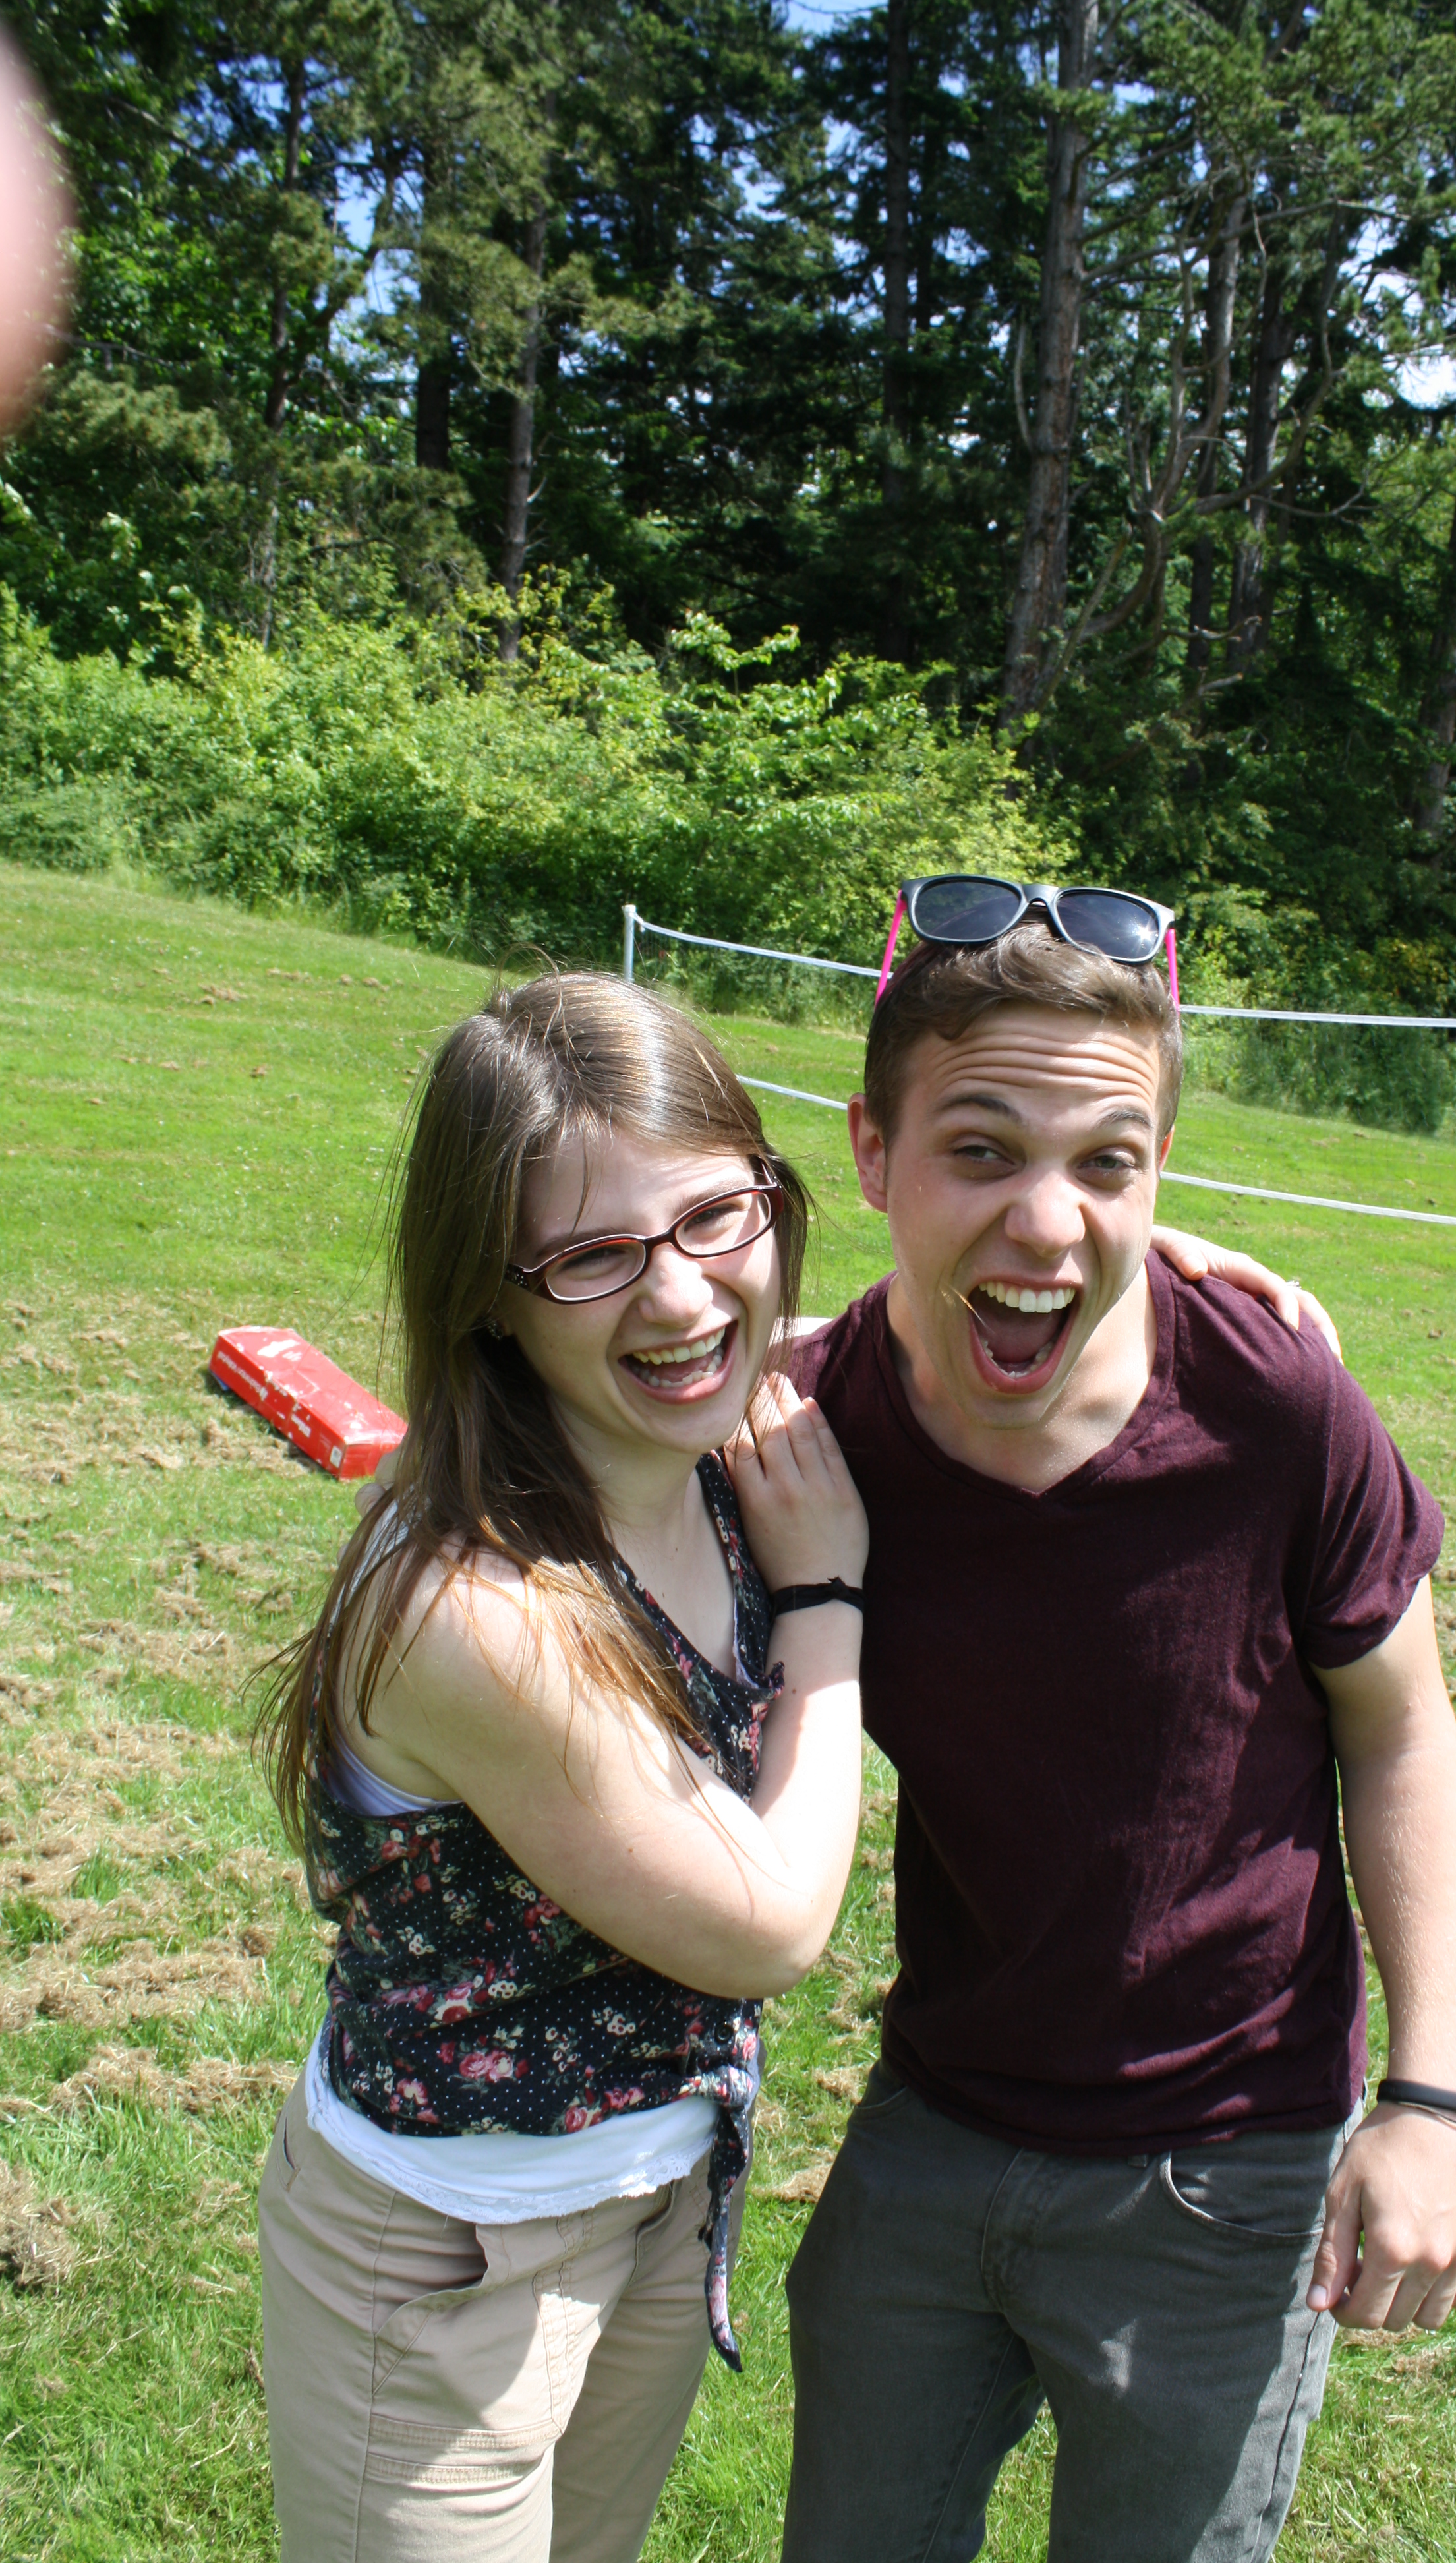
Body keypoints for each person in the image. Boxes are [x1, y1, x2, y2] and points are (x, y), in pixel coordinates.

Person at [778, 881, 1456, 2563]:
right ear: (874, 1155)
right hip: (935, 2121)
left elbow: (1402, 1735)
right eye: (981, 1151)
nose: (1046, 1225)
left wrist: (1438, 2101)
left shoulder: (1274, 1399)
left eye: (1108, 1162)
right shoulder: (803, 1431)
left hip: (1227, 2169)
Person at [256, 970, 870, 2563]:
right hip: (446, 2268)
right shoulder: (478, 1609)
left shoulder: (715, 1406)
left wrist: (1174, 1272)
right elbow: (770, 1928)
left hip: (666, 2200)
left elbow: (984, 1293)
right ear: (490, 1293)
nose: (679, 1302)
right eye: (593, 1255)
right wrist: (825, 1604)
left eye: (716, 1218)